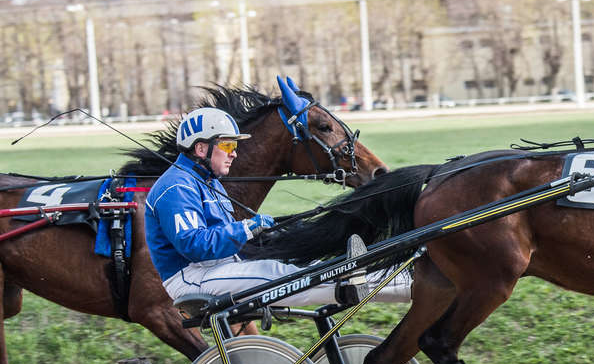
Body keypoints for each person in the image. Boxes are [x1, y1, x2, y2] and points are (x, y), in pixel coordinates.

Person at [145, 107, 410, 307]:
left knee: (304, 265)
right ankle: (364, 288)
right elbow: (194, 246)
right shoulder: (176, 187)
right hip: (192, 277)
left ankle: (408, 284)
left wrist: (267, 231)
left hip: (218, 267)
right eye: (227, 145)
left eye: (235, 145)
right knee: (281, 275)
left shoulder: (207, 181)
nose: (234, 152)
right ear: (201, 148)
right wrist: (246, 228)